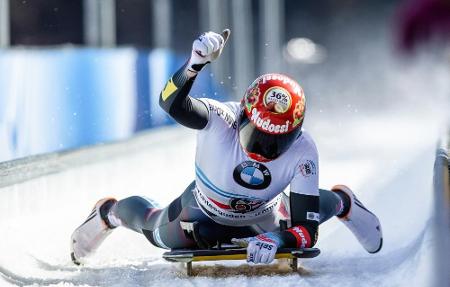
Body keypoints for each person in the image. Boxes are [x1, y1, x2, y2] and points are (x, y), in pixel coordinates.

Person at [70, 30, 383, 265]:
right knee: (157, 231)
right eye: (259, 135)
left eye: (278, 139)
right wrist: (194, 65)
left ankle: (344, 202)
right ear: (243, 117)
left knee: (300, 214)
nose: (265, 147)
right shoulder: (221, 118)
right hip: (203, 211)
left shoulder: (303, 149)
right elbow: (170, 103)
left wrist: (277, 237)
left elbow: (306, 231)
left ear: (295, 132)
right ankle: (107, 214)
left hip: (265, 215)